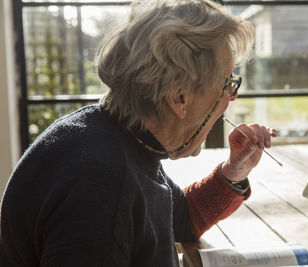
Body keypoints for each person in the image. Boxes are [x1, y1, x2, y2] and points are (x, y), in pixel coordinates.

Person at [0, 0, 277, 266]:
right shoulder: (101, 185)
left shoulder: (121, 137)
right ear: (179, 97)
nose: (231, 97)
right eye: (227, 82)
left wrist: (234, 171)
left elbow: (179, 218)